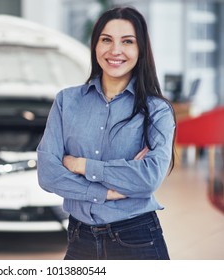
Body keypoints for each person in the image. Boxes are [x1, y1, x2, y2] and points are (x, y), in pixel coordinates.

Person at [37, 6, 176, 260]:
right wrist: (107, 191)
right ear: (95, 45)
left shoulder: (157, 111)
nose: (115, 51)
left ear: (141, 49)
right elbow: (48, 174)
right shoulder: (66, 101)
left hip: (138, 238)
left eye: (127, 41)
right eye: (106, 40)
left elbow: (148, 179)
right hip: (80, 238)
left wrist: (79, 165)